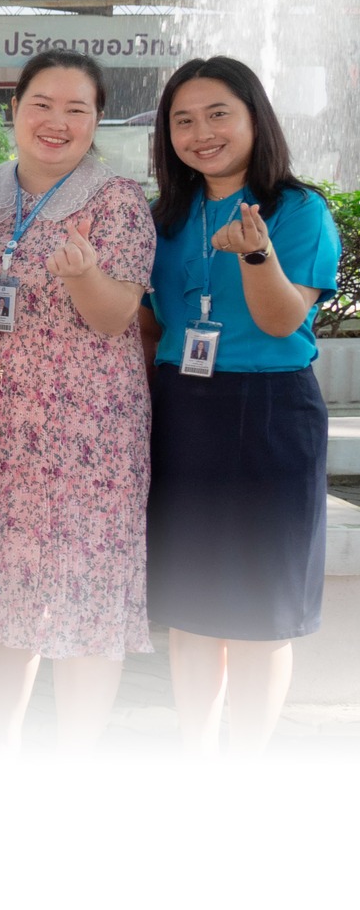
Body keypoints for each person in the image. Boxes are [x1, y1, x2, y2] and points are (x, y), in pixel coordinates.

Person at [0, 51, 156, 753]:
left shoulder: (117, 200)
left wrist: (85, 274)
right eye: (42, 103)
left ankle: (77, 759)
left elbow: (112, 316)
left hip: (86, 440)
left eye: (77, 108)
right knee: (5, 590)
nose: (57, 121)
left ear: (97, 119)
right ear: (15, 108)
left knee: (85, 589)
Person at [141, 56, 337, 755]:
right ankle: (197, 755)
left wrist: (258, 257)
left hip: (271, 412)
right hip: (184, 412)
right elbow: (149, 321)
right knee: (192, 604)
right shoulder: (165, 213)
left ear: (255, 116)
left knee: (260, 607)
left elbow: (284, 319)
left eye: (218, 113)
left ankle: (246, 765)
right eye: (183, 120)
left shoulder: (298, 209)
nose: (201, 132)